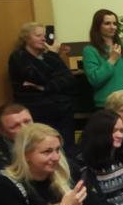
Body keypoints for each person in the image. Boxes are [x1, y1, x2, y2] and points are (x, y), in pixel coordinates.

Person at [8, 21, 76, 149]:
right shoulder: (18, 57)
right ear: (26, 38)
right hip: (37, 111)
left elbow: (69, 79)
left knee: (67, 149)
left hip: (61, 111)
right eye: (38, 35)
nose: (43, 39)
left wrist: (46, 87)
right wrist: (53, 79)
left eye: (44, 35)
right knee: (43, 147)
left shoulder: (50, 55)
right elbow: (39, 77)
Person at [82, 9, 123, 109]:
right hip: (107, 107)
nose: (112, 27)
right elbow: (95, 80)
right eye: (107, 23)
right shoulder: (90, 50)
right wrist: (112, 60)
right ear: (98, 26)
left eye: (114, 23)